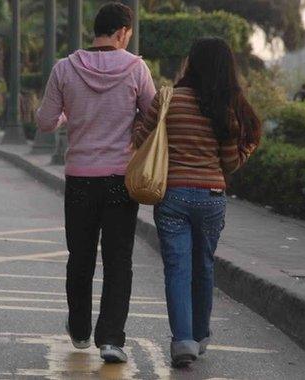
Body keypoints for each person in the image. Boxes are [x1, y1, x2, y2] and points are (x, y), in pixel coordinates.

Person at [36, 2, 156, 364]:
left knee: (81, 256)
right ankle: (111, 339)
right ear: (122, 32)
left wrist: (67, 116)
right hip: (121, 179)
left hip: (80, 179)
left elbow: (45, 122)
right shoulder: (136, 68)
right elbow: (152, 115)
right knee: (119, 259)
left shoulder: (64, 68)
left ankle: (79, 329)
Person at [133, 37, 262, 368]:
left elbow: (139, 139)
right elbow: (230, 164)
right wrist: (246, 150)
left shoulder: (168, 99)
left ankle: (183, 341)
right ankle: (201, 333)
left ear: (191, 63)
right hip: (211, 197)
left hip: (172, 195)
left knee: (177, 267)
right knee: (203, 265)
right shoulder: (227, 108)